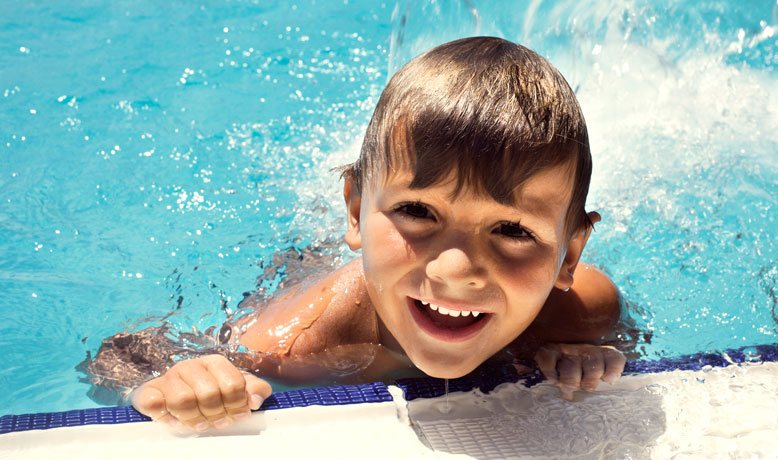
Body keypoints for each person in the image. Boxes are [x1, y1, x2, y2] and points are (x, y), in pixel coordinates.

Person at [130, 36, 626, 432]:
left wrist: (585, 354)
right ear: (354, 211)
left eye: (513, 230)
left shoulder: (584, 311)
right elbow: (128, 352)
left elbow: (626, 344)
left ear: (570, 254)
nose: (455, 270)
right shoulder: (301, 340)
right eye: (417, 211)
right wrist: (175, 380)